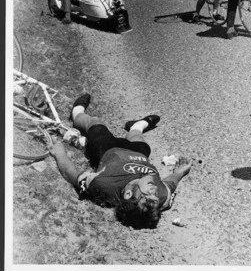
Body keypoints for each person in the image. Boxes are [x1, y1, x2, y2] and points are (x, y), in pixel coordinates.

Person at [48, 93, 192, 229]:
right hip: (139, 152)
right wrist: (181, 171)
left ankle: (77, 111)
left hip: (107, 149)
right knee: (139, 139)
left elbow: (73, 175)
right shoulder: (160, 197)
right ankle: (136, 126)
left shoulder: (104, 185)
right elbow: (170, 184)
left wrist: (59, 153)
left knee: (96, 123)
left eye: (148, 195)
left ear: (128, 194)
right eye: (155, 198)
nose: (154, 191)